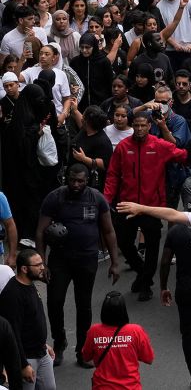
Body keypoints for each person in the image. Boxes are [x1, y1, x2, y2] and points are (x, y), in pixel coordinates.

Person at [36, 162, 120, 368]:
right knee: (55, 302)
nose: (75, 184)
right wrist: (41, 263)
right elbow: (40, 231)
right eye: (72, 180)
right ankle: (59, 340)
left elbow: (108, 231)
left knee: (84, 305)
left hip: (87, 259)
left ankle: (83, 350)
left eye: (80, 181)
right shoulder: (54, 197)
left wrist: (115, 262)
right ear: (66, 178)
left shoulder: (97, 198)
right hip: (60, 260)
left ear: (87, 181)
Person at [102, 110, 188, 301]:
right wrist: (106, 200)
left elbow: (182, 154)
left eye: (144, 125)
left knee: (152, 246)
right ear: (133, 126)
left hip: (152, 206)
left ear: (150, 126)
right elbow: (113, 175)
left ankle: (146, 283)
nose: (140, 129)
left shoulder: (158, 145)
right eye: (137, 125)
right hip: (126, 204)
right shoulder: (123, 147)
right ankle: (142, 273)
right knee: (123, 243)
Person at [159, 195, 191, 390]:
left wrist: (163, 287)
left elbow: (164, 262)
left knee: (188, 334)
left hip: (184, 288)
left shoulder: (175, 231)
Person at [0, 249, 54, 390]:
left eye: (42, 263)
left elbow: (34, 320)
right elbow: (13, 334)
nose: (42, 267)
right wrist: (23, 365)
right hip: (27, 358)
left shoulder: (29, 283)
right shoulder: (12, 295)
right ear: (24, 269)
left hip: (41, 352)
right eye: (38, 265)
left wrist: (43, 343)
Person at [81, 290, 153, 389]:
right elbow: (149, 358)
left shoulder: (94, 331)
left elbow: (86, 357)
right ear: (123, 310)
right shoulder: (136, 331)